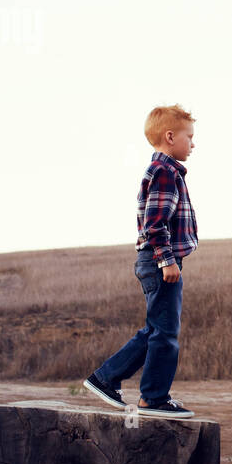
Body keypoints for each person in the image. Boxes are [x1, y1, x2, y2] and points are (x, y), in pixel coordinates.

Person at [84, 104, 198, 418]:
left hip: (156, 260)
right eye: (189, 137)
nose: (193, 143)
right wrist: (167, 260)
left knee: (156, 330)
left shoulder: (166, 171)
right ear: (170, 136)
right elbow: (155, 223)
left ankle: (105, 378)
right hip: (159, 260)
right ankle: (153, 398)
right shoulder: (164, 172)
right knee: (165, 333)